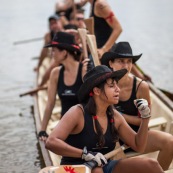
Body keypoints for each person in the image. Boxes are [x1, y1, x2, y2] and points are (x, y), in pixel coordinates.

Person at [45, 65, 164, 173]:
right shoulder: (77, 112)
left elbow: (139, 146)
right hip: (76, 168)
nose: (118, 89)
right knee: (97, 171)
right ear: (96, 91)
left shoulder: (115, 116)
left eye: (117, 85)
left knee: (151, 164)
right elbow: (51, 142)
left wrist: (145, 118)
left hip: (104, 166)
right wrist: (85, 154)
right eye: (112, 86)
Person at [101, 42, 173, 171]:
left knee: (170, 142)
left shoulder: (141, 86)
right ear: (111, 63)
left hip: (135, 136)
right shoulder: (103, 85)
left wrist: (119, 116)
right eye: (121, 61)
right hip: (111, 140)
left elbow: (144, 120)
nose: (126, 65)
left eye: (129, 61)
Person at [38, 31, 87, 140]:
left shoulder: (84, 70)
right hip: (64, 128)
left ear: (64, 52)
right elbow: (50, 104)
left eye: (54, 51)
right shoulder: (55, 73)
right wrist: (42, 130)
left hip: (84, 127)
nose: (51, 54)